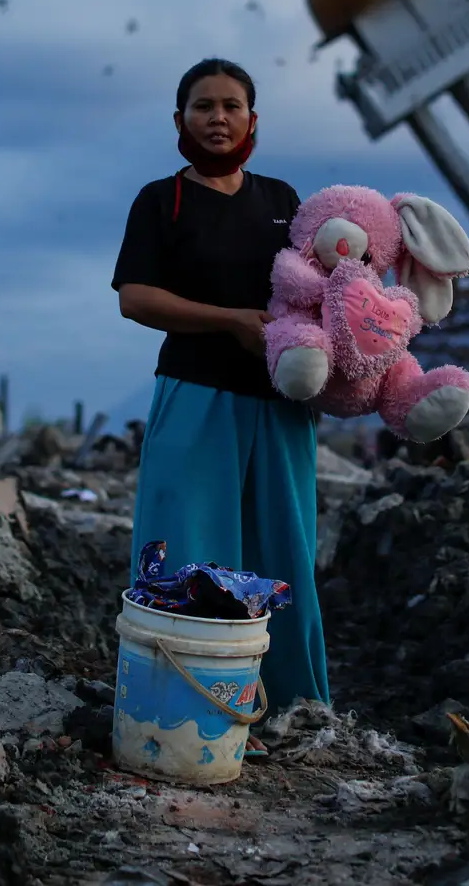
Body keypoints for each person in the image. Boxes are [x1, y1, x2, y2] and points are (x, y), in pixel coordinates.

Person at [111, 57, 329, 712]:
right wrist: (227, 322)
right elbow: (135, 297)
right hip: (196, 392)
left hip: (281, 405)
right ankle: (180, 705)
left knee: (283, 556)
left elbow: (315, 289)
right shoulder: (161, 200)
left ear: (252, 119)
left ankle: (292, 706)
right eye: (203, 106)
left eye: (231, 105)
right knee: (188, 548)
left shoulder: (283, 201)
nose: (218, 117)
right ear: (180, 120)